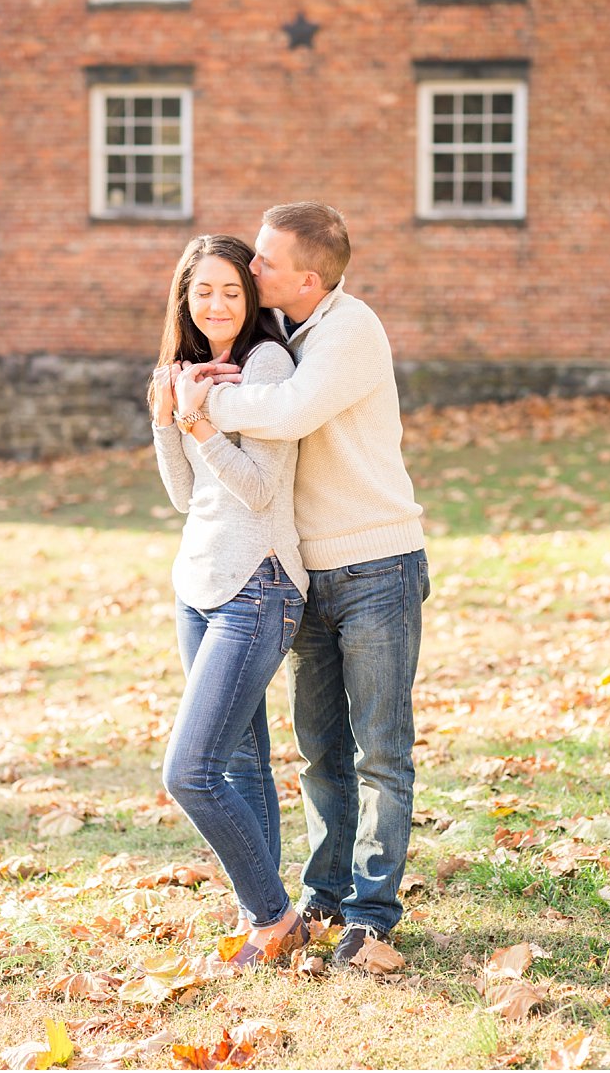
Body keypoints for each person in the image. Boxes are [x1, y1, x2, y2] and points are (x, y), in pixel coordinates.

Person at [173, 202, 428, 968]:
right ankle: (321, 894)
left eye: (266, 262)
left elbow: (286, 413)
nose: (252, 270)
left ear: (308, 277)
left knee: (379, 750)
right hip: (308, 568)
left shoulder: (350, 329)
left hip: (378, 562)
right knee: (320, 750)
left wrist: (198, 400)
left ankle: (373, 912)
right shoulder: (289, 334)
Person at [150, 234, 309, 968]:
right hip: (199, 585)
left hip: (260, 582)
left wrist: (202, 422)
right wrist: (168, 415)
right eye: (203, 289)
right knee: (241, 763)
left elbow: (259, 488)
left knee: (189, 768)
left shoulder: (270, 366)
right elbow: (186, 495)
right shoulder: (189, 373)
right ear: (184, 296)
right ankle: (264, 925)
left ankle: (276, 918)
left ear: (251, 299)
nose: (216, 303)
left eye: (232, 291)